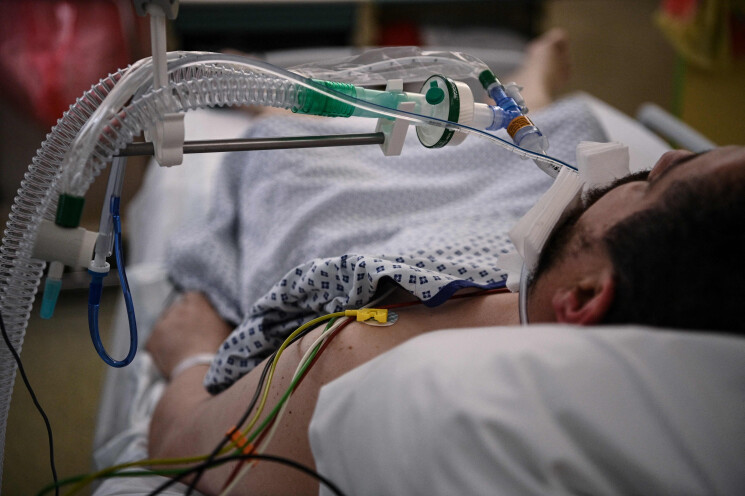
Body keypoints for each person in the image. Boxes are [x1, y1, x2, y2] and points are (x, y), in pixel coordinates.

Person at [145, 30, 745, 495]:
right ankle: (530, 82)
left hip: (366, 224)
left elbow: (182, 444)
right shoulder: (611, 279)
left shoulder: (358, 353)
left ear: (585, 297)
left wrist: (191, 355)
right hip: (502, 219)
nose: (665, 156)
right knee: (542, 138)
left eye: (655, 185)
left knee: (298, 159)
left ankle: (273, 107)